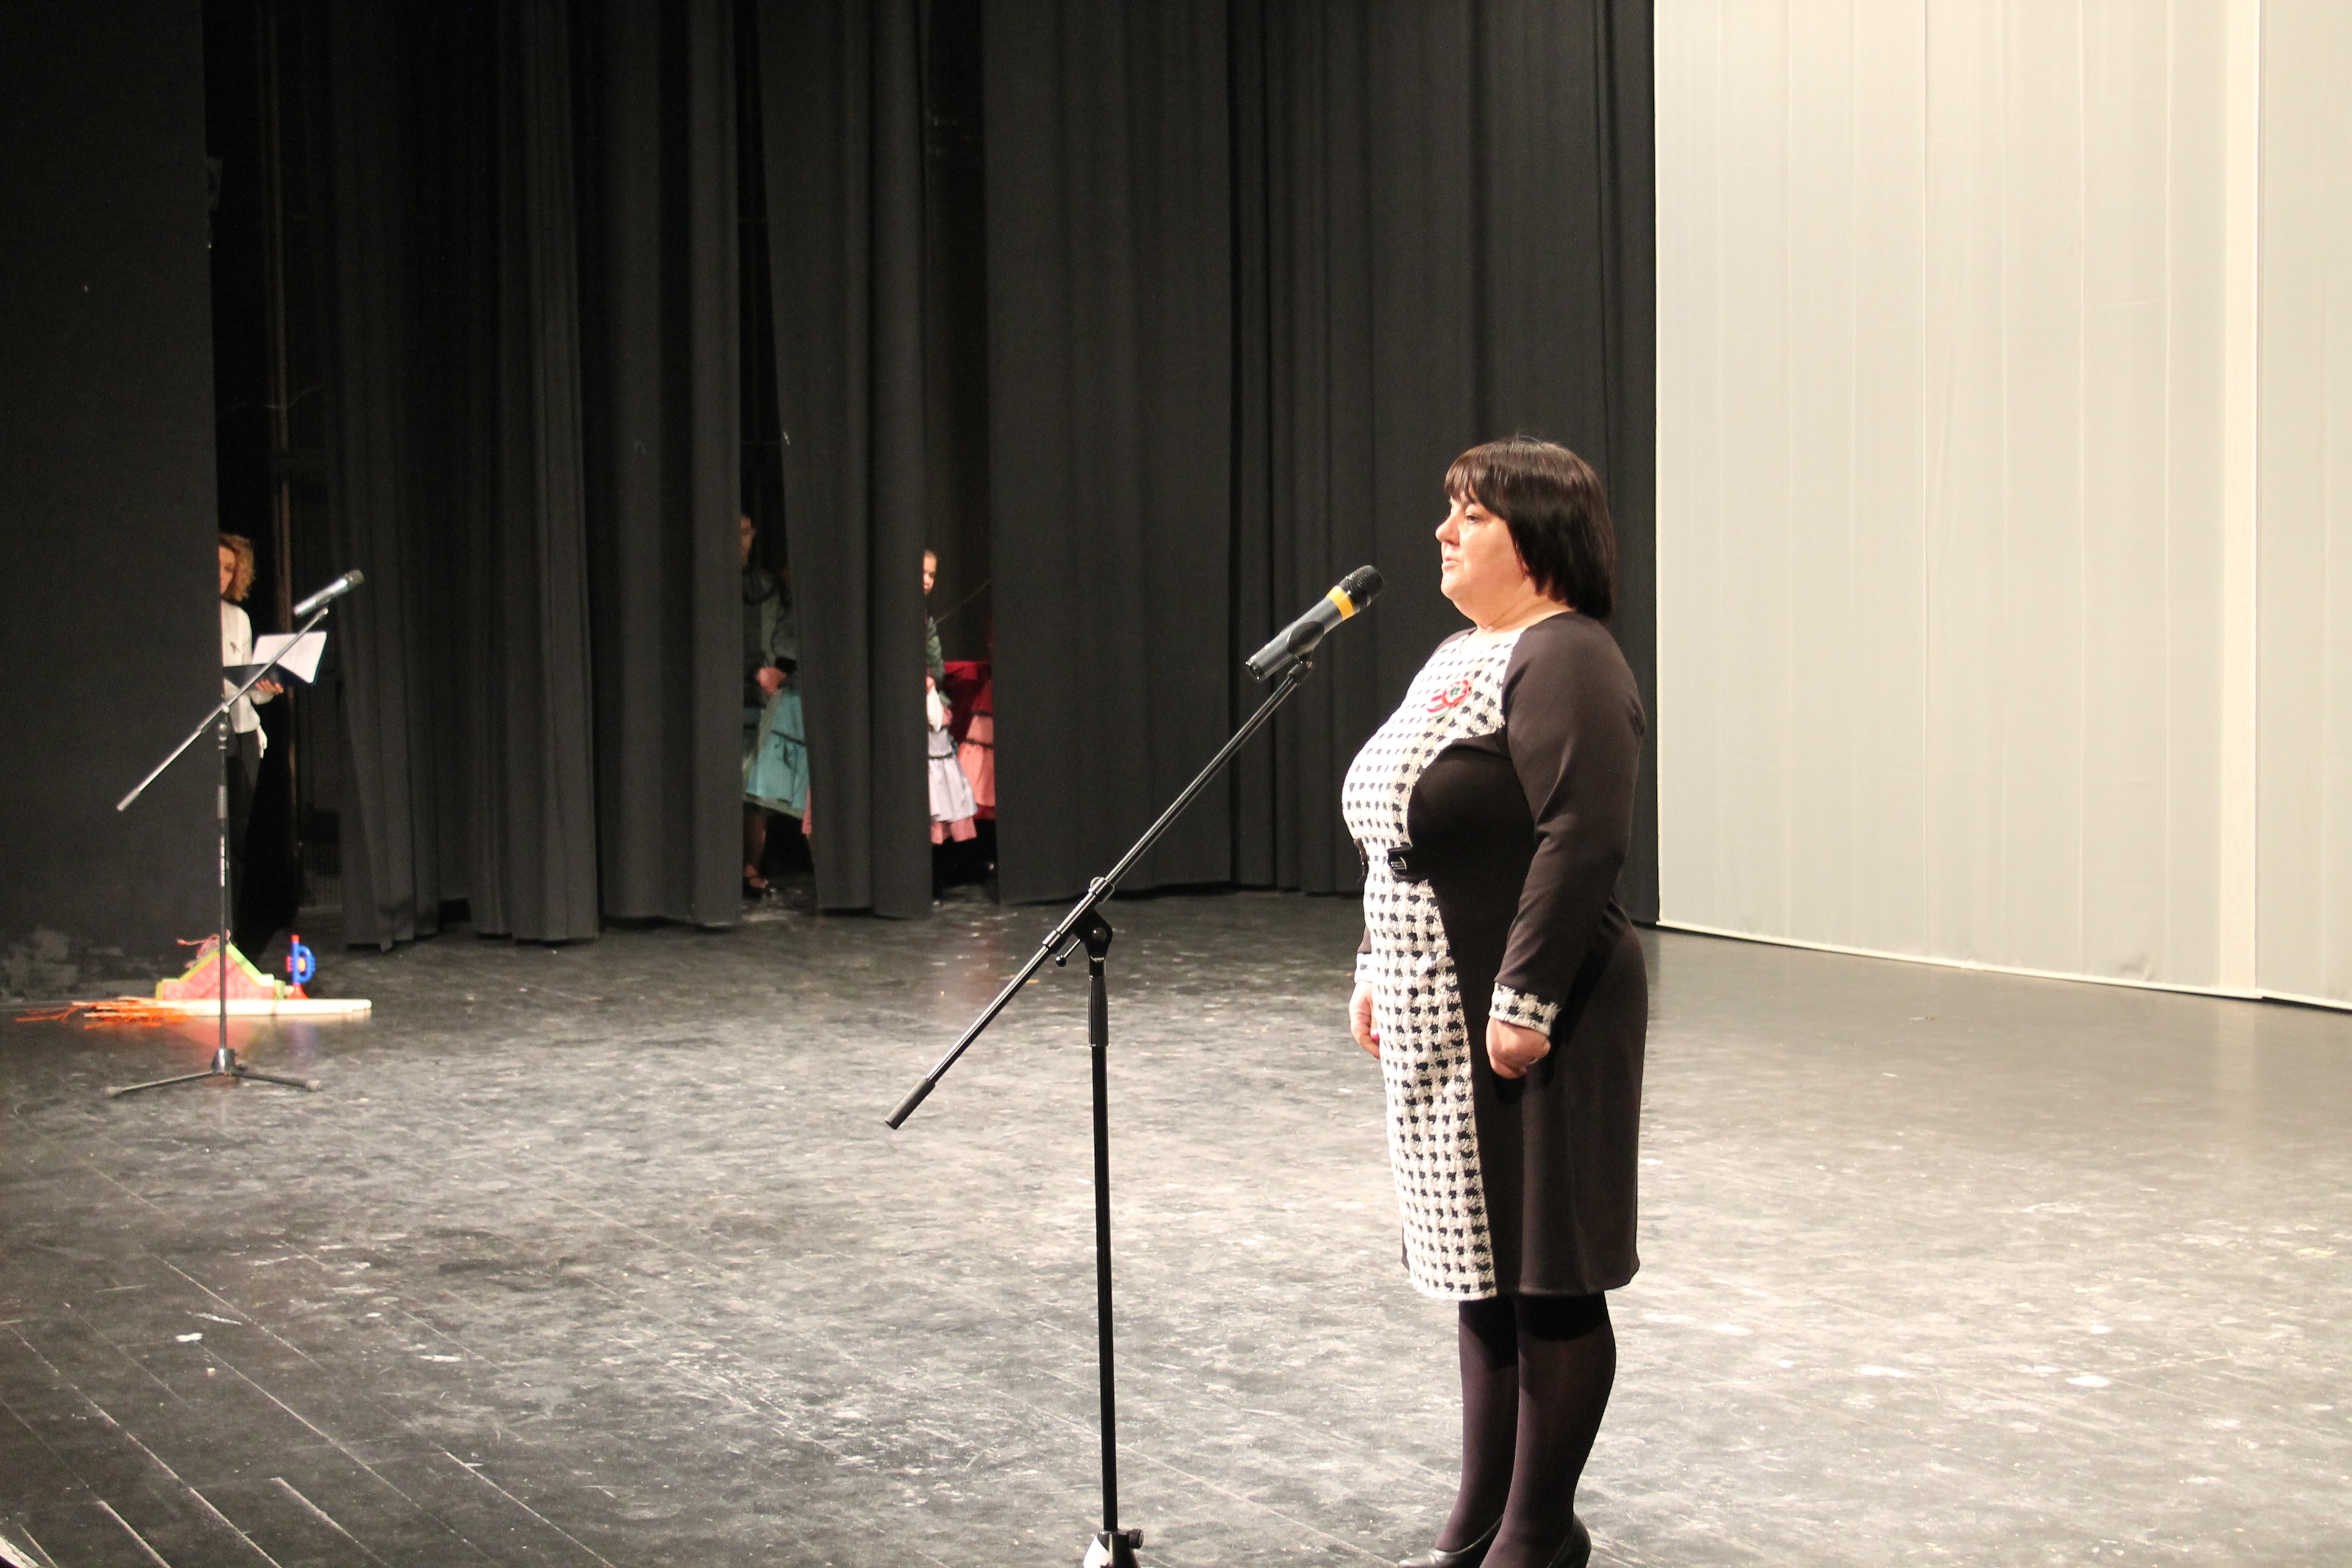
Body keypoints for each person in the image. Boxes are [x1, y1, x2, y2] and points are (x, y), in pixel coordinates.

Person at [1341, 438, 1646, 1568]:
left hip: (1534, 1011)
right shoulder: (1459, 652)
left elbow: (1581, 837)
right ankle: (1476, 1525)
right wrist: (1372, 963)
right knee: (1481, 1272)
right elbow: (1402, 829)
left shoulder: (1568, 653)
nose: (1443, 531)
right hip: (1436, 1002)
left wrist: (1525, 999)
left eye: (1471, 516)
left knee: (1547, 1274)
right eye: (1449, 511)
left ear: (1538, 539)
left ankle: (1536, 1536)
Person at [219, 534, 281, 951]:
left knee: (237, 840)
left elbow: (249, 690)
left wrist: (266, 688)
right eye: (217, 567)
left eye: (229, 569)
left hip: (241, 735)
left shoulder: (238, 618)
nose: (223, 576)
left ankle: (231, 936)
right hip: (207, 735)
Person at [741, 513, 807, 892]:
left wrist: (775, 673)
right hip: (734, 694)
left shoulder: (768, 587)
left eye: (746, 533)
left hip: (767, 699)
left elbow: (779, 638)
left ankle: (751, 865)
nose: (740, 541)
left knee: (758, 791)